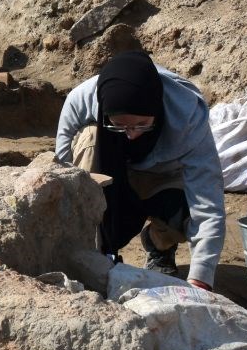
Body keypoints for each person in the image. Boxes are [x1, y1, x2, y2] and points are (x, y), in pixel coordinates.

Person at [54, 50, 226, 291]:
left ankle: (160, 244)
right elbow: (61, 173)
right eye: (119, 125)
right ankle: (94, 252)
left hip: (163, 177)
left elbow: (208, 200)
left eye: (142, 125)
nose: (131, 134)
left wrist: (202, 277)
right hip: (109, 172)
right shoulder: (80, 101)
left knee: (184, 212)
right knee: (89, 138)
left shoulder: (187, 115)